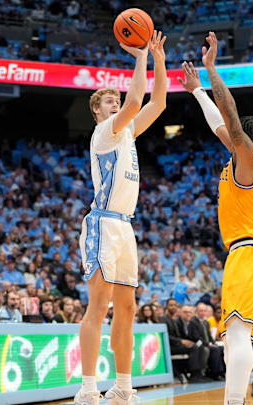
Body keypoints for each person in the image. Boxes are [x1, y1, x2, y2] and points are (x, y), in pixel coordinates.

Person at [178, 32, 253, 405]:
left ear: (247, 140)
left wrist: (211, 69)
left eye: (236, 135)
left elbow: (230, 116)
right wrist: (196, 92)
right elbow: (219, 124)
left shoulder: (249, 159)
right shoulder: (239, 163)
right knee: (237, 335)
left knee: (237, 335)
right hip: (247, 255)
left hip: (249, 254)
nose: (229, 135)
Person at [75, 30, 168, 405]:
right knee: (97, 305)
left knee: (127, 308)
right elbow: (135, 102)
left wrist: (159, 59)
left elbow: (157, 102)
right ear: (98, 112)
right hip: (102, 223)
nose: (116, 104)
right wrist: (141, 55)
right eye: (108, 101)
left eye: (115, 99)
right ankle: (86, 387)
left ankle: (124, 385)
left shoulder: (127, 132)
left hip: (125, 226)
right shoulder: (104, 132)